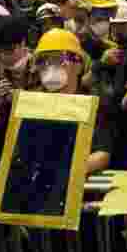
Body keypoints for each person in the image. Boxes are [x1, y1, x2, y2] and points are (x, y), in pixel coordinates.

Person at [29, 28, 113, 173]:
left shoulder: (93, 104)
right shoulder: (32, 104)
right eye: (43, 61)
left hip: (77, 186)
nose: (50, 66)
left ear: (78, 64)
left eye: (58, 59)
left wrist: (64, 171)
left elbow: (102, 155)